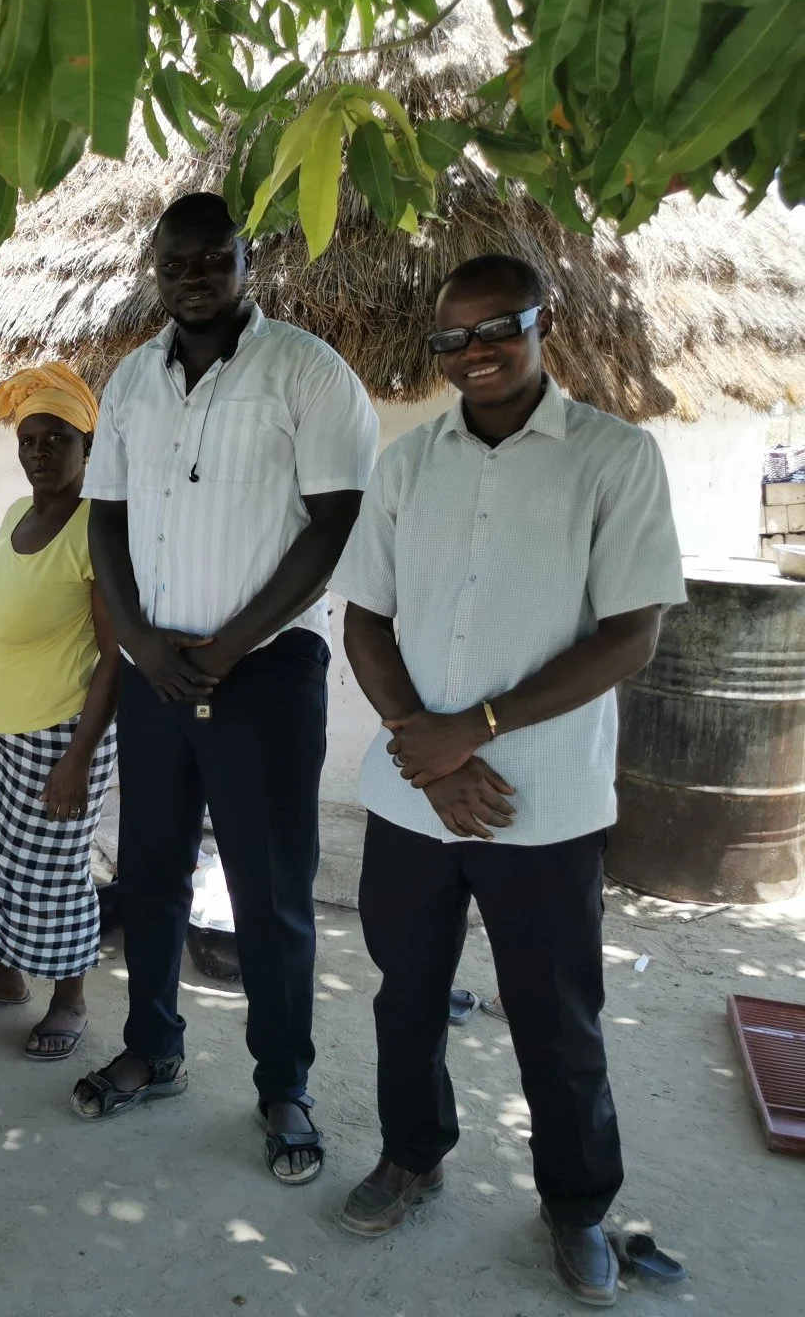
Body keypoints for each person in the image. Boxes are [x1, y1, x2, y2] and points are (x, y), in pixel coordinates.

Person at [330, 254, 685, 1305]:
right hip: (409, 799)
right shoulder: (409, 465)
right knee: (408, 1000)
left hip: (545, 806)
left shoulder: (613, 459)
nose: (476, 353)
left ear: (544, 323)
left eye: (499, 328)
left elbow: (632, 634)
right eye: (454, 338)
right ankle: (411, 1154)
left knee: (559, 1019)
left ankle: (577, 1207)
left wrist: (473, 730)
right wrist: (421, 743)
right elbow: (366, 619)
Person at [73, 192, 379, 1188]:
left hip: (266, 675)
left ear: (249, 262)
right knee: (151, 878)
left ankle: (283, 1084)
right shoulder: (129, 383)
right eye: (178, 262)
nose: (196, 276)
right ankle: (153, 1047)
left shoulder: (306, 372)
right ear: (155, 270)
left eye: (215, 258)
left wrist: (234, 644)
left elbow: (332, 524)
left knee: (272, 895)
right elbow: (105, 523)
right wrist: (138, 642)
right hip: (153, 670)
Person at [0, 364, 121, 1062]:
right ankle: (6, 973)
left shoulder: (95, 528)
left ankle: (70, 1001)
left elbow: (114, 656)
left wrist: (79, 759)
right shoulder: (20, 516)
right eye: (29, 440)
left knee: (52, 875)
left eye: (57, 439)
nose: (39, 452)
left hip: (57, 734)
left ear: (87, 446)